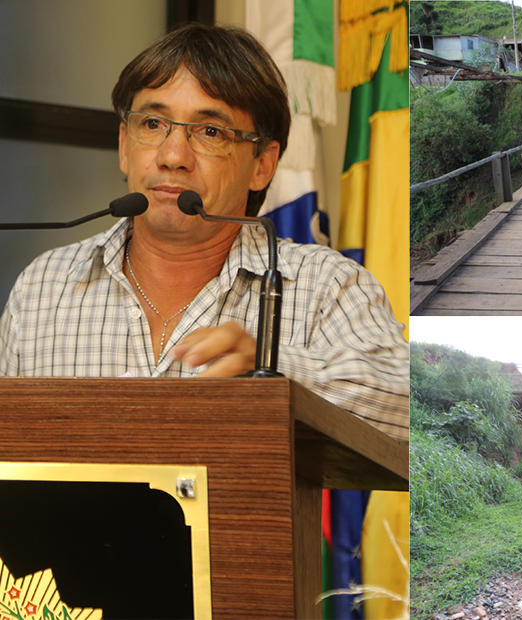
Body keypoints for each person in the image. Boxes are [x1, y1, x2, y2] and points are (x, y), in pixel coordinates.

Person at [0, 23, 408, 442]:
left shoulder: (326, 285)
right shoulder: (43, 287)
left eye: (210, 131)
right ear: (125, 145)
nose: (172, 156)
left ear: (263, 165)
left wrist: (273, 367)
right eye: (154, 124)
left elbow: (409, 410)